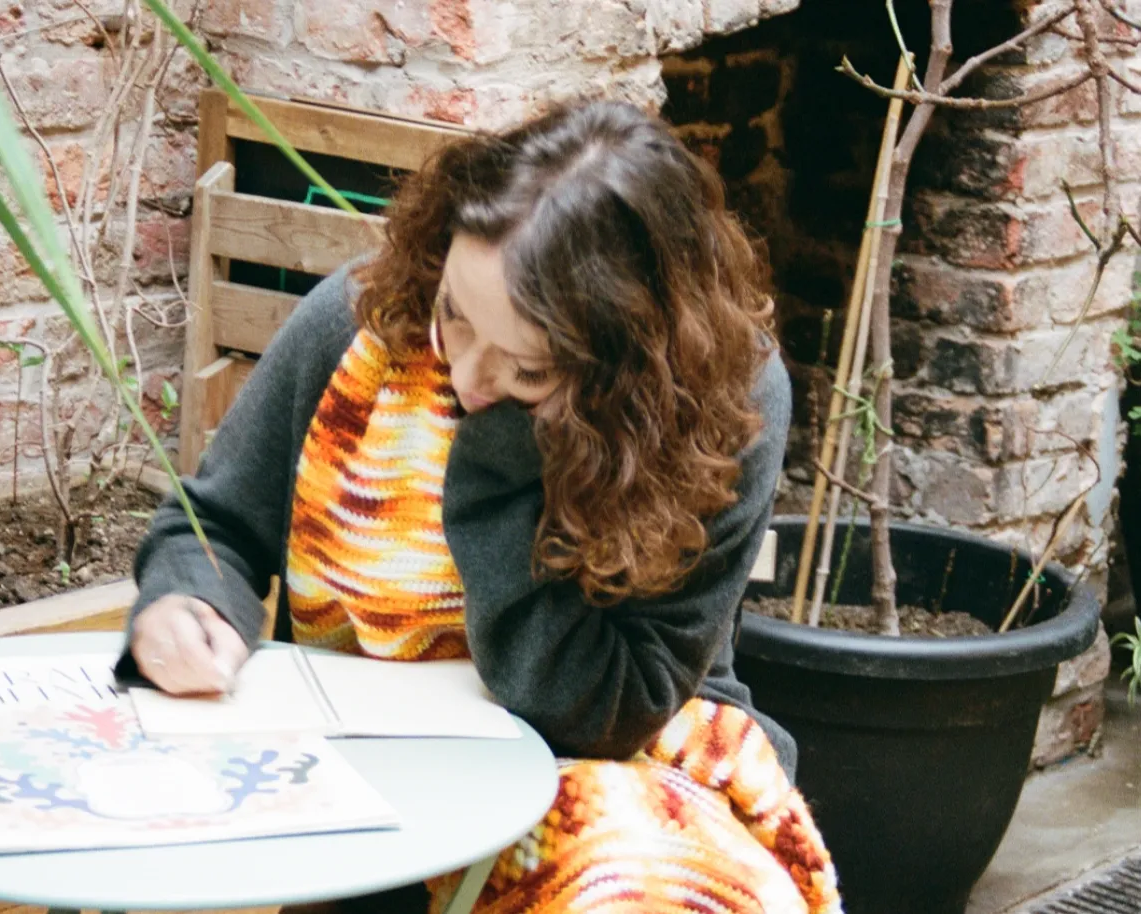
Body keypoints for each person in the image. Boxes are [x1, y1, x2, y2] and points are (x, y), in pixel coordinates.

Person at [114, 98, 841, 914]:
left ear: (630, 371)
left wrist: (496, 461)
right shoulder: (371, 320)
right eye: (455, 316)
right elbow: (213, 524)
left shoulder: (722, 403)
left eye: (526, 369)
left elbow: (612, 709)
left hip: (627, 757)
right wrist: (186, 603)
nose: (462, 376)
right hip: (371, 765)